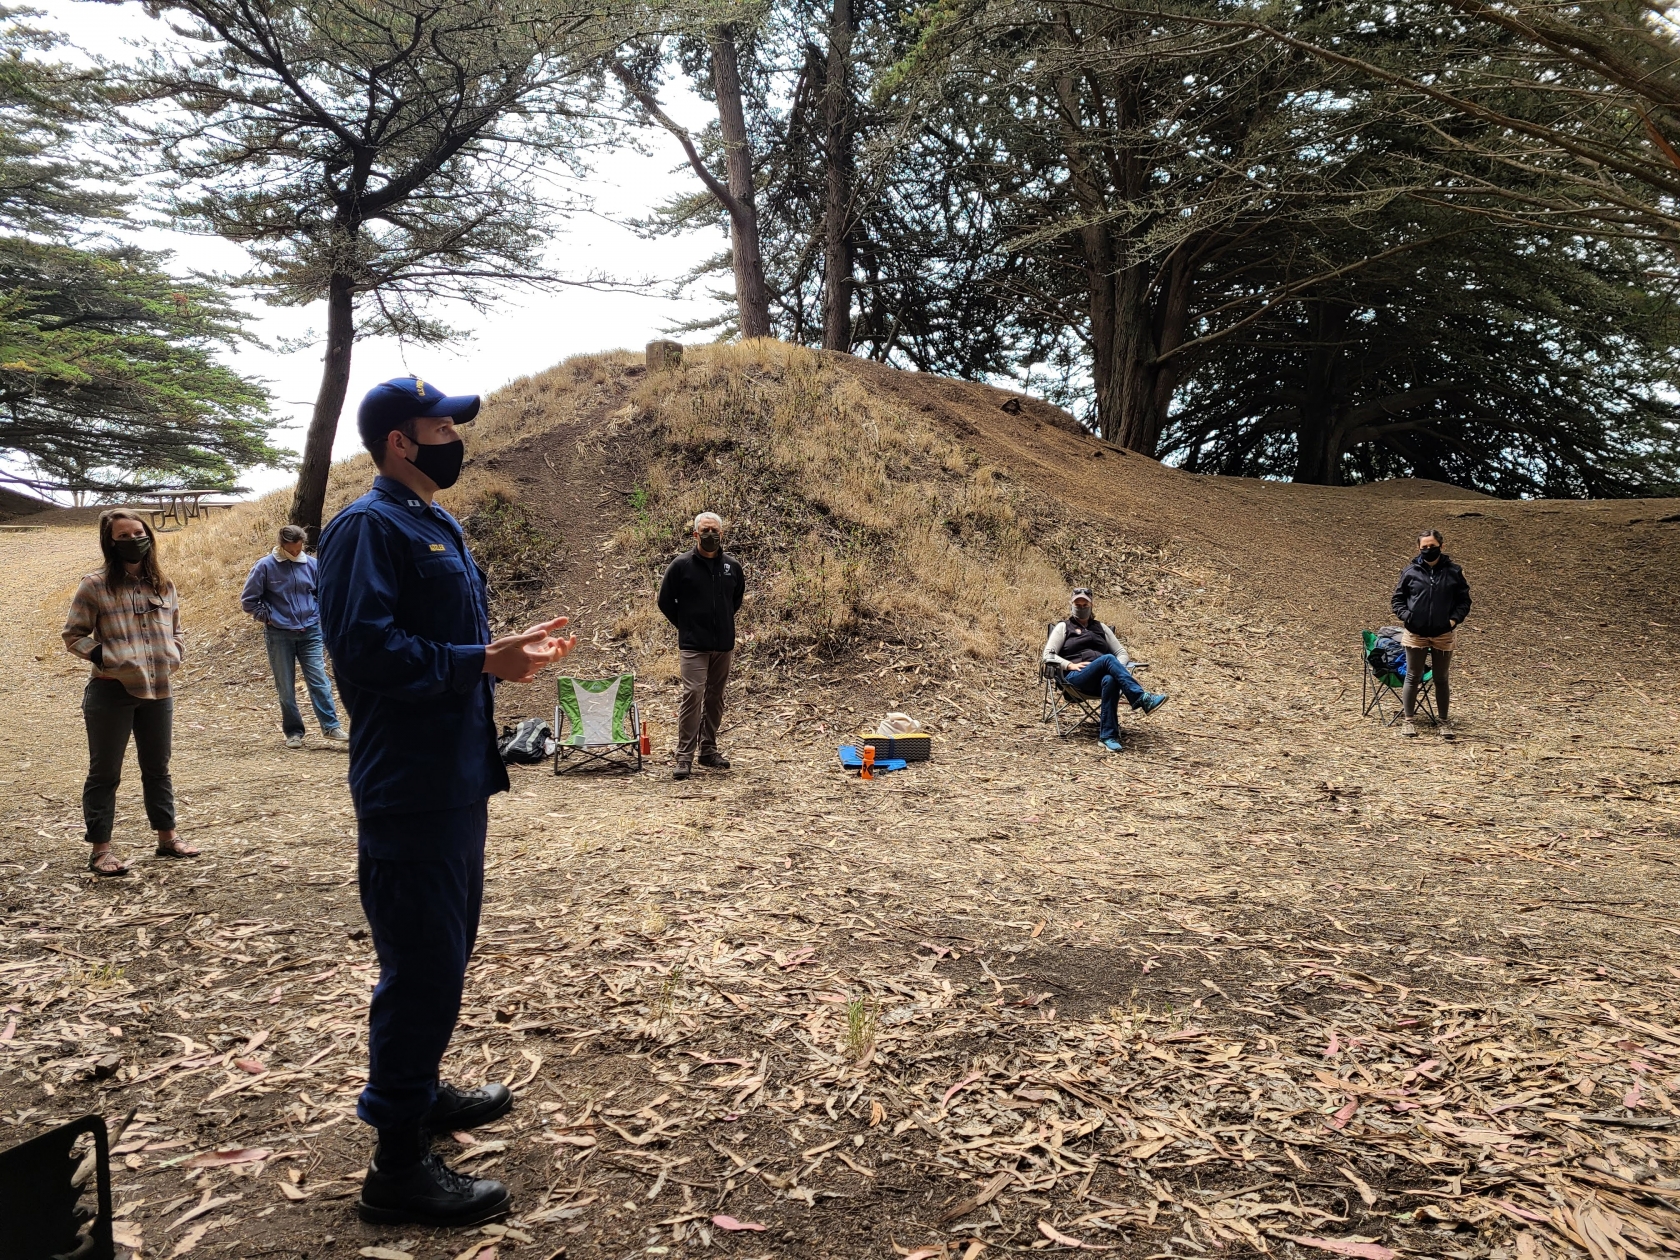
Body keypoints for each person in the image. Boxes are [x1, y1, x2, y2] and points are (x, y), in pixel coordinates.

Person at [317, 375, 577, 1228]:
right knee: (421, 965)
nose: (453, 438)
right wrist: (479, 662)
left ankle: (421, 1094)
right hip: (408, 786)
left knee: (445, 952)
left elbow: (446, 642)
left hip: (456, 779)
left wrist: (503, 655)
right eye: (441, 426)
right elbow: (366, 652)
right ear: (401, 441)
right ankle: (395, 1167)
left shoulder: (435, 523)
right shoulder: (366, 527)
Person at [61, 510, 200, 876]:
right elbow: (73, 636)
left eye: (138, 532)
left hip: (159, 691)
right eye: (123, 535)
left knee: (158, 768)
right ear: (110, 542)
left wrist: (175, 653)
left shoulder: (163, 585)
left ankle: (167, 838)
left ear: (149, 537)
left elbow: (178, 629)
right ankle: (101, 850)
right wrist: (107, 657)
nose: (133, 539)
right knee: (105, 772)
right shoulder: (95, 585)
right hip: (111, 692)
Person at [241, 523, 347, 750]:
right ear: (282, 545)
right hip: (279, 634)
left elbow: (323, 592)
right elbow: (248, 601)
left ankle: (331, 726)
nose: (296, 553)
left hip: (310, 631)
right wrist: (268, 617)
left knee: (319, 680)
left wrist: (317, 613)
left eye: (300, 549)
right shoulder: (264, 567)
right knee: (286, 686)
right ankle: (294, 731)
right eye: (292, 549)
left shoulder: (312, 565)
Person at [657, 510, 745, 781]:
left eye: (714, 531)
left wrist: (724, 627)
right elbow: (664, 601)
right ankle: (684, 756)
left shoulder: (732, 566)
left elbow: (736, 600)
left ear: (722, 534)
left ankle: (708, 750)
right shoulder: (681, 565)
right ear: (695, 534)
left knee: (715, 698)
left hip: (723, 645)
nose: (710, 535)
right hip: (694, 646)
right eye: (705, 530)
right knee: (693, 694)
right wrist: (687, 628)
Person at [1042, 586, 1167, 753]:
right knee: (1108, 658)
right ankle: (1141, 698)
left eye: (1085, 605)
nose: (1081, 607)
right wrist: (1069, 665)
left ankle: (1107, 737)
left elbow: (1122, 653)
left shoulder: (1101, 627)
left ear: (1091, 605)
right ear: (1071, 605)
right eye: (1077, 604)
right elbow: (1047, 655)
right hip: (1075, 677)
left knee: (1110, 678)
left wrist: (1117, 669)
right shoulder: (1063, 627)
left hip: (1100, 679)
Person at [1390, 527, 1471, 739]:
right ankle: (1408, 721)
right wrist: (1407, 616)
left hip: (1444, 633)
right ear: (1418, 548)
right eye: (1424, 547)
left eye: (1432, 546)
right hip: (1415, 633)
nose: (1428, 550)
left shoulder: (1454, 571)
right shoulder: (1410, 572)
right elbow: (1397, 599)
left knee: (1441, 677)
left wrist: (1453, 620)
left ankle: (1444, 722)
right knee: (1412, 676)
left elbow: (1464, 601)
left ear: (1441, 547)